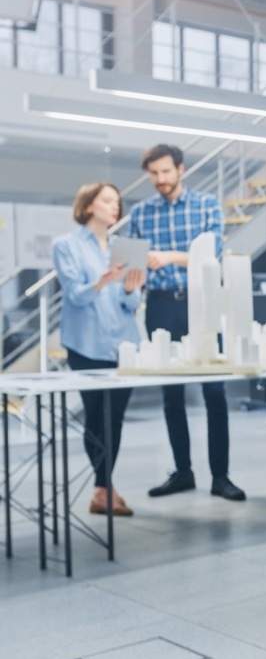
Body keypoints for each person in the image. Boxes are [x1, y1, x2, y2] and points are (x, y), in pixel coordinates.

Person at [127, 144, 245, 502]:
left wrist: (167, 258)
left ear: (180, 169)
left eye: (166, 172)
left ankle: (221, 477)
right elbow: (132, 264)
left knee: (214, 392)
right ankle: (182, 472)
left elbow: (213, 255)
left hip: (202, 303)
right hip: (160, 306)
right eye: (154, 174)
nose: (160, 180)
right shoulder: (140, 213)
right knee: (171, 394)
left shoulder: (206, 205)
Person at [52, 182, 146, 516]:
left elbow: (129, 302)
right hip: (85, 344)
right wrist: (103, 281)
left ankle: (102, 489)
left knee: (115, 419)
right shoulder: (65, 245)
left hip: (124, 343)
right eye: (107, 200)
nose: (114, 206)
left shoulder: (123, 247)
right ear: (88, 205)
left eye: (117, 202)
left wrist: (132, 288)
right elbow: (75, 296)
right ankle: (104, 488)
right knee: (95, 417)